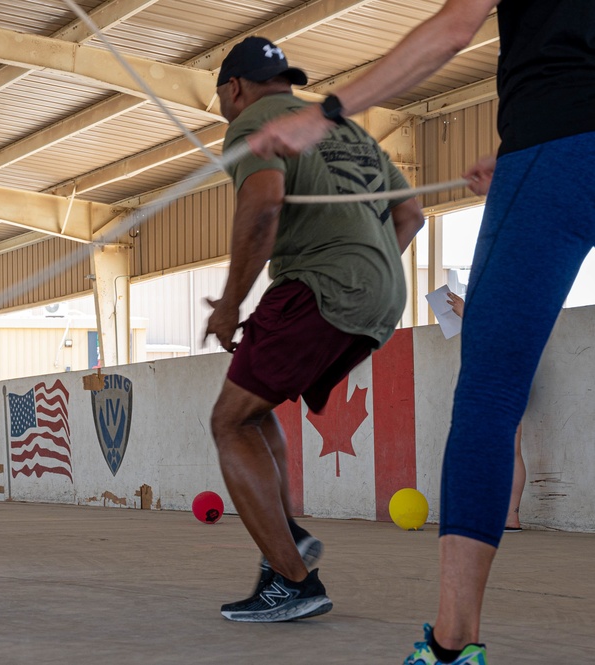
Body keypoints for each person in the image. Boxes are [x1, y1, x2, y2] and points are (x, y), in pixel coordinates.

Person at [246, 1, 595, 662]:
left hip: (552, 148)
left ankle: (450, 645)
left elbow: (451, 27)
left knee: (488, 400)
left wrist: (321, 115)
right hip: (548, 146)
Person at [204, 37, 424, 623]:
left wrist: (229, 305)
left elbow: (264, 203)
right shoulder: (346, 129)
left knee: (227, 422)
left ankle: (293, 579)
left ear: (233, 88)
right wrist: (366, 272)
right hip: (382, 294)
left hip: (317, 285)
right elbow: (411, 215)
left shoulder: (251, 121)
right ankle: (290, 537)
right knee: (254, 409)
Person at [446, 292, 525, 532]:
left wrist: (466, 312)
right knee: (506, 450)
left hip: (501, 378)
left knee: (501, 450)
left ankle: (505, 515)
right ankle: (506, 515)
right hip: (508, 376)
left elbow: (496, 338)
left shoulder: (507, 306)